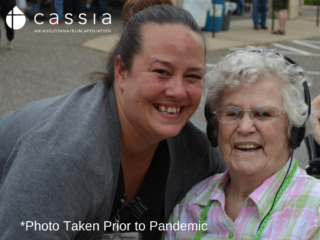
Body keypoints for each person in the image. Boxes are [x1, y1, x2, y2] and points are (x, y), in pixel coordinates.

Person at [0, 0, 225, 239]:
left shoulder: (196, 151)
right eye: (161, 71)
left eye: (192, 76)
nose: (178, 91)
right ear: (121, 72)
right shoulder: (62, 156)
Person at [164, 48, 320, 239]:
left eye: (263, 114)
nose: (245, 127)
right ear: (215, 128)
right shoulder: (190, 205)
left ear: (293, 129)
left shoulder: (315, 211)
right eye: (231, 113)